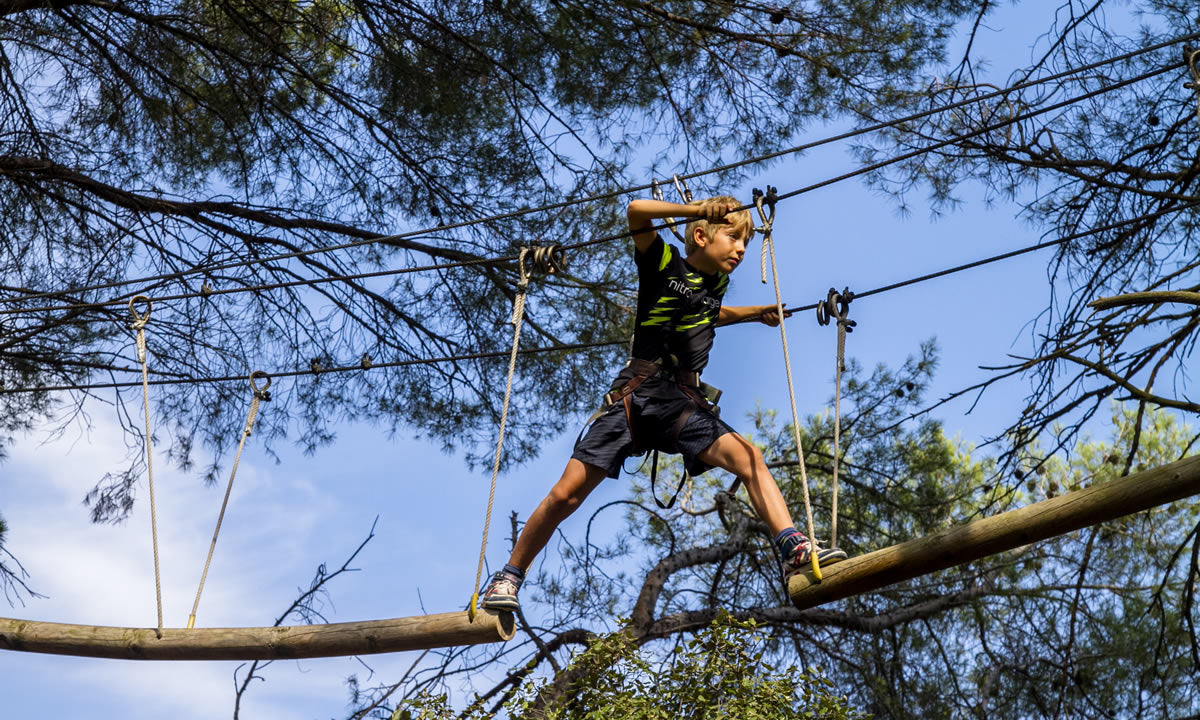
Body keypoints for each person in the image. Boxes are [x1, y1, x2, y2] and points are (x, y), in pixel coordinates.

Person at [480, 195, 845, 612]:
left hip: (680, 404)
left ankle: (792, 549)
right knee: (566, 495)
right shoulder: (662, 262)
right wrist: (695, 210)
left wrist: (752, 313)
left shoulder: (716, 284)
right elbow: (635, 211)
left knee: (749, 458)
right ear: (702, 236)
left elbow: (707, 311)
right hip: (635, 397)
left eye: (745, 241)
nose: (742, 248)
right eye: (734, 237)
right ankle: (508, 577)